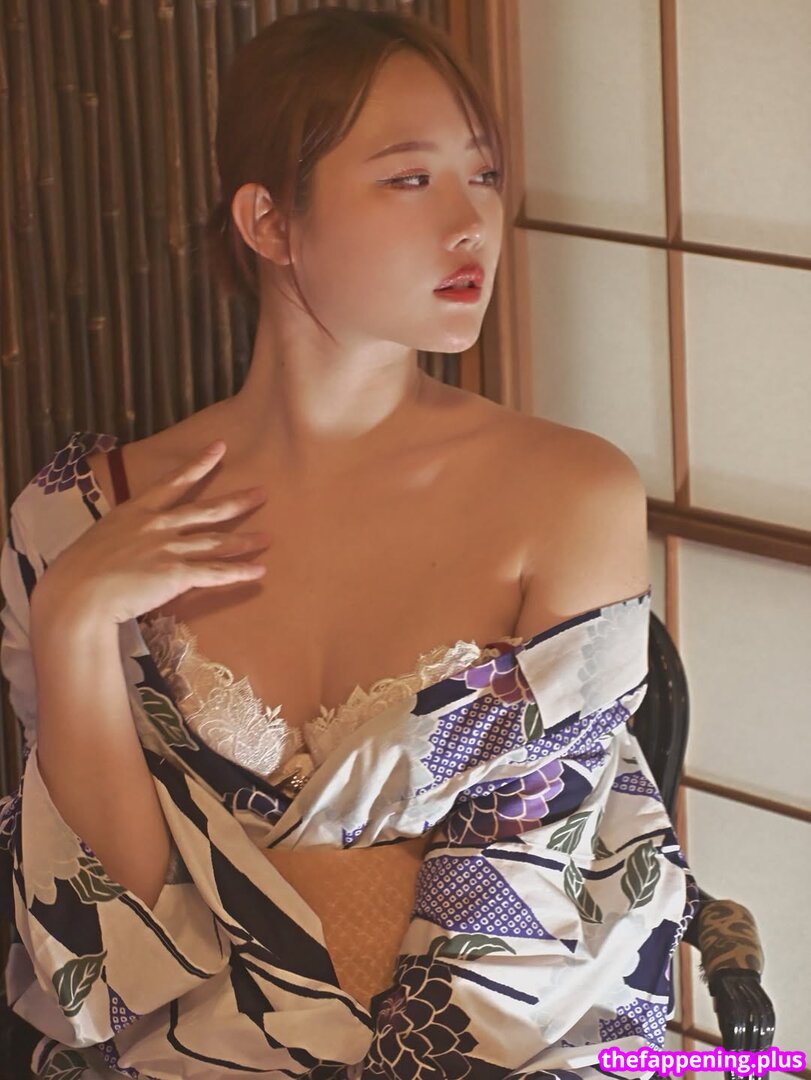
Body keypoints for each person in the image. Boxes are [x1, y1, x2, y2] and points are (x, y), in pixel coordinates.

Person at [0, 8, 696, 1078]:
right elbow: (110, 956)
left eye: (484, 176)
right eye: (410, 180)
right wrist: (73, 617)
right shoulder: (80, 522)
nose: (471, 223)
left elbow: (526, 912)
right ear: (270, 220)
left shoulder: (570, 492)